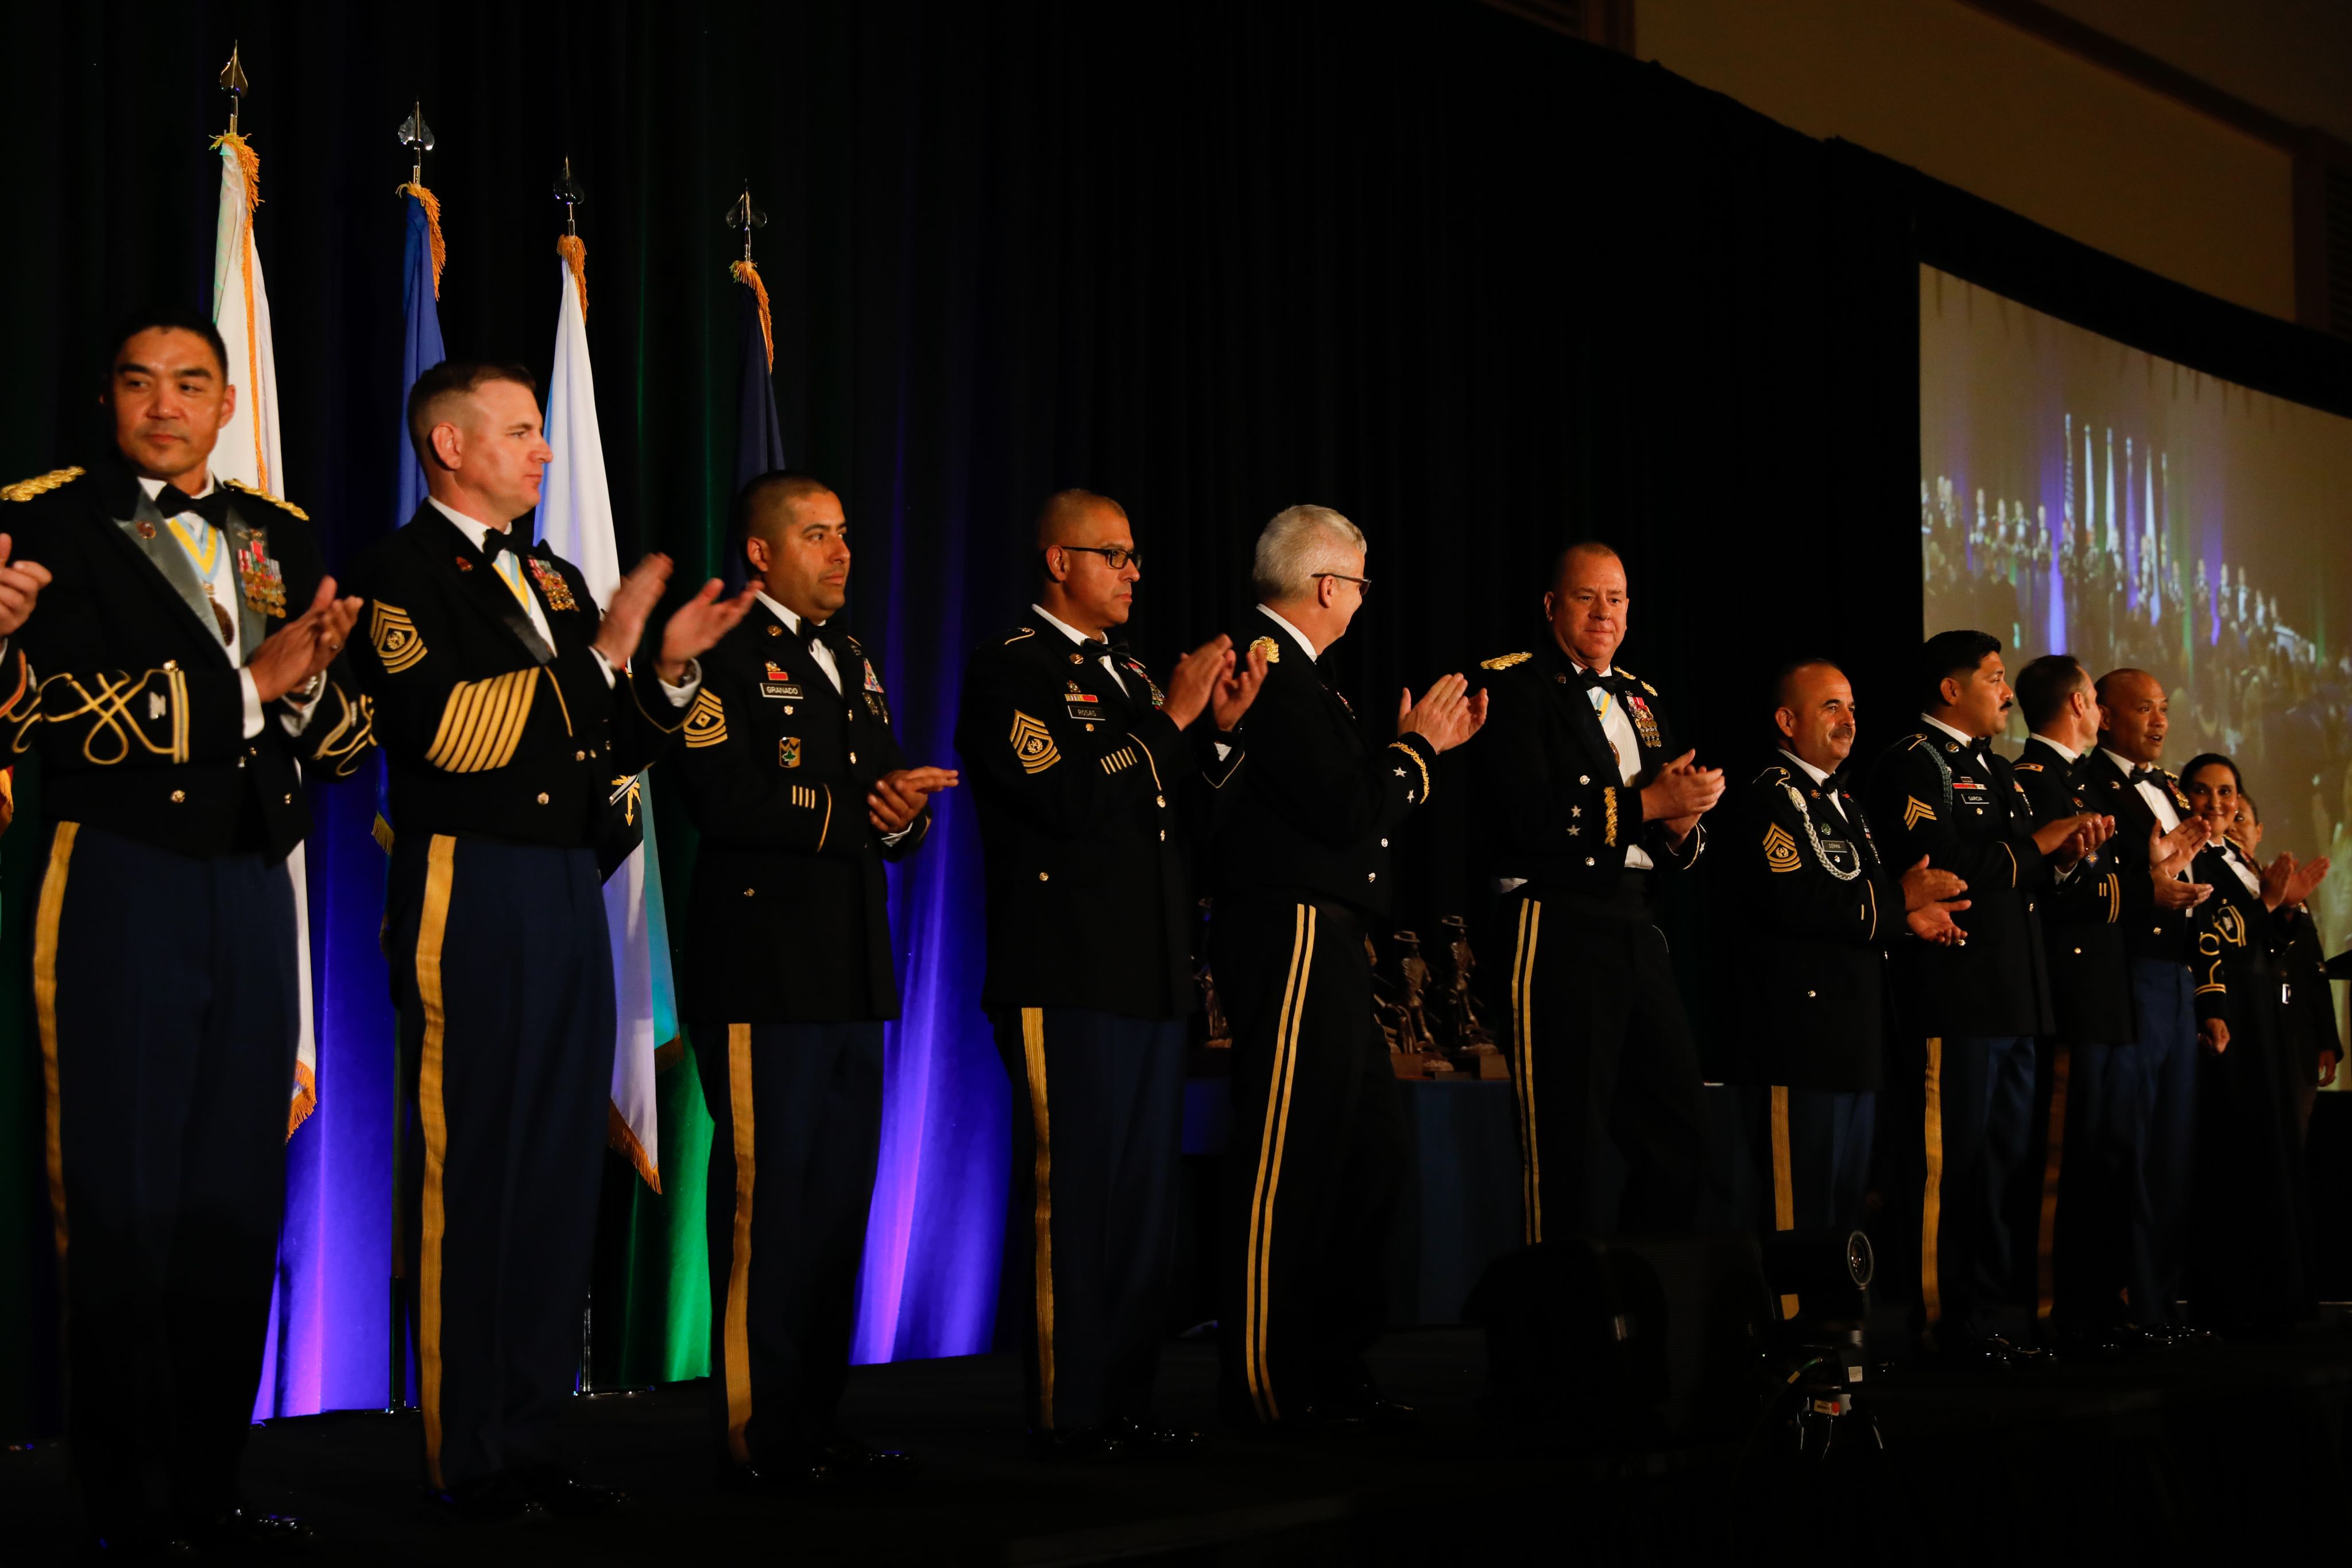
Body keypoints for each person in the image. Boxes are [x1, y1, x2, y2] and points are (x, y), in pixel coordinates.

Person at [350, 359, 752, 1521]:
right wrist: (600, 659)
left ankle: (527, 1435)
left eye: (539, 430)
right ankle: (460, 1452)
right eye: (520, 433)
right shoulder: (398, 573)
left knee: (548, 1177)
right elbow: (449, 733)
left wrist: (665, 669)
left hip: (569, 884)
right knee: (474, 1167)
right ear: (447, 446)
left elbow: (611, 744)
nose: (542, 452)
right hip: (466, 881)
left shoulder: (558, 577)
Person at [3, 304, 369, 1555]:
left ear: (225, 404)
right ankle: (119, 1503)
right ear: (109, 401)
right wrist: (245, 689)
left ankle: (210, 1484)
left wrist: (314, 679)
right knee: (119, 1198)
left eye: (191, 384)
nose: (164, 405)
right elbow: (43, 714)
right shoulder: (45, 519)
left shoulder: (278, 534)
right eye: (139, 383)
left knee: (235, 1196)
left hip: (253, 881)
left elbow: (338, 742)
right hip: (120, 873)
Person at [955, 489, 1260, 1459]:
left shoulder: (1127, 675)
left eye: (1134, 557)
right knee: (1073, 1195)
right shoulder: (1013, 670)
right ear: (1058, 562)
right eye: (1114, 555)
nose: (1135, 572)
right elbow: (1067, 801)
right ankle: (1066, 1409)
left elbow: (1184, 825)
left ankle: (1126, 1401)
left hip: (1149, 973)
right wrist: (1169, 720)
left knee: (1141, 1209)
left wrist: (1210, 733)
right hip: (1067, 972)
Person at [671, 471, 955, 1489]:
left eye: (844, 533)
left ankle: (814, 1417)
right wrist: (857, 807)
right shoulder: (721, 644)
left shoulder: (851, 654)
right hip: (762, 968)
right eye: (816, 534)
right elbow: (725, 793)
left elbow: (887, 778)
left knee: (837, 1207)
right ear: (760, 551)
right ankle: (753, 1429)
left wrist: (905, 813)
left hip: (849, 966)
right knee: (766, 1204)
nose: (841, 552)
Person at [1206, 503, 1481, 1428]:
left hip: (1326, 939)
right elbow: (1340, 811)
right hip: (1283, 933)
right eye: (1360, 583)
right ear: (1328, 585)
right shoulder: (1270, 669)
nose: (1364, 600)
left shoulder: (1310, 681)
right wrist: (1417, 750)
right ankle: (1264, 1378)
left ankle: (1332, 1360)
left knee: (1369, 1151)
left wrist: (1403, 757)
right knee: (1290, 1161)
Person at [1862, 632, 2107, 1369]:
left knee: (2003, 1168)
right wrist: (2040, 845)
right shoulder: (1912, 761)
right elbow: (1941, 866)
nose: (2006, 694)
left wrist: (2062, 857)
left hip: (2014, 997)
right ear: (1950, 689)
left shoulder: (1992, 769)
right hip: (1957, 995)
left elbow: (2023, 876)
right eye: (1994, 679)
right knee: (1952, 1166)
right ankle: (1943, 1324)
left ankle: (1992, 1317)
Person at [1469, 541, 1722, 1240]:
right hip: (1555, 921)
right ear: (1552, 605)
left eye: (1616, 599)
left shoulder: (1644, 697)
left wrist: (1682, 821)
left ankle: (1641, 1310)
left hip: (1635, 923)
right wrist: (1647, 806)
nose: (1603, 613)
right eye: (1586, 598)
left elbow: (1668, 829)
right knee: (1566, 1147)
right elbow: (1525, 815)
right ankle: (1564, 1331)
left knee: (1681, 1135)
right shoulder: (1512, 687)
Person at [1726, 659, 1966, 1274]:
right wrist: (1900, 902)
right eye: (1830, 706)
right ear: (1787, 720)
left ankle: (1834, 1341)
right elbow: (1795, 900)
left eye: (1851, 707)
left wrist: (1907, 917)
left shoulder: (1845, 802)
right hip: (1800, 1041)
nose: (1848, 720)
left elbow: (1857, 898)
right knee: (1797, 1210)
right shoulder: (1768, 795)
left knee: (1842, 1211)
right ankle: (1790, 1345)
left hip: (1854, 1036)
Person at [2083, 669, 2226, 1342]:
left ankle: (2163, 1301)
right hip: (2129, 970)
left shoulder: (2168, 787)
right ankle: (2130, 1301)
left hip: (2174, 976)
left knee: (2172, 1145)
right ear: (2104, 715)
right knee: (2133, 1141)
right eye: (2144, 708)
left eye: (2165, 709)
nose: (2159, 721)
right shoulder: (2092, 780)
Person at [2007, 655, 2140, 1353]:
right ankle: (2056, 1309)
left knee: (2109, 1154)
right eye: (2093, 698)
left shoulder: (2083, 779)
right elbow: (2049, 886)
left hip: (2107, 989)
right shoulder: (2034, 778)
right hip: (2070, 983)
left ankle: (2101, 1302)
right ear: (2081, 702)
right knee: (2065, 1157)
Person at [2180, 755, 2328, 1331]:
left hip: (2263, 1016)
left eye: (2226, 792)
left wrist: (2285, 906)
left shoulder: (2234, 856)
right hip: (2228, 1019)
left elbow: (2262, 937)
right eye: (2201, 791)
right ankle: (2240, 1302)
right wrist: (2269, 902)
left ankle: (2280, 1298)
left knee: (2272, 1152)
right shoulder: (2192, 856)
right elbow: (2217, 937)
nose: (2217, 804)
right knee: (2238, 1154)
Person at [2229, 789, 2341, 1140]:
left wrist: (2327, 1038)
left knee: (2293, 1136)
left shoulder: (2285, 885)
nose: (2233, 826)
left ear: (2259, 831)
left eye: (2241, 818)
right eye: (2228, 819)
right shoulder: (2223, 884)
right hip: (2247, 1027)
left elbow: (2313, 966)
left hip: (2297, 1037)